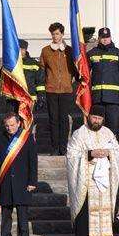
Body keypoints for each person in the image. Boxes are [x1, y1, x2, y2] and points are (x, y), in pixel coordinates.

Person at [66, 105, 119, 236]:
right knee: (85, 211)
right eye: (94, 118)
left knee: (103, 210)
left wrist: (109, 153)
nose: (96, 121)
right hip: (86, 179)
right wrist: (90, 153)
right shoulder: (79, 133)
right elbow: (71, 155)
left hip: (104, 178)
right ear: (89, 117)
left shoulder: (108, 133)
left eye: (99, 119)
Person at [0, 113, 38, 236]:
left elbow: (33, 161)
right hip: (5, 182)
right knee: (6, 218)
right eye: (7, 126)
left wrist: (32, 181)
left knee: (23, 218)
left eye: (12, 125)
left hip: (23, 183)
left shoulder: (27, 138)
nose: (9, 128)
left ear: (18, 123)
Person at [39, 22, 78, 156]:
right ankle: (54, 147)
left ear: (62, 34)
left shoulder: (70, 50)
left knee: (64, 119)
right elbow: (42, 70)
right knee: (53, 119)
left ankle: (63, 147)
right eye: (53, 34)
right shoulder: (46, 51)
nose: (55, 36)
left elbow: (75, 68)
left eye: (57, 33)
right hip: (51, 89)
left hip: (66, 89)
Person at [87, 27, 119, 135]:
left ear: (110, 37)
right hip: (97, 98)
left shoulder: (118, 53)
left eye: (107, 37)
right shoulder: (92, 53)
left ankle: (111, 144)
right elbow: (85, 73)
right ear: (99, 38)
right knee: (97, 126)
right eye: (102, 37)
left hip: (113, 98)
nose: (105, 39)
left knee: (112, 126)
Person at [19, 40, 46, 108]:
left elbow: (40, 83)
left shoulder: (34, 63)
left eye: (22, 49)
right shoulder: (10, 64)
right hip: (13, 99)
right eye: (18, 49)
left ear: (26, 50)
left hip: (29, 99)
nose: (20, 52)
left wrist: (41, 97)